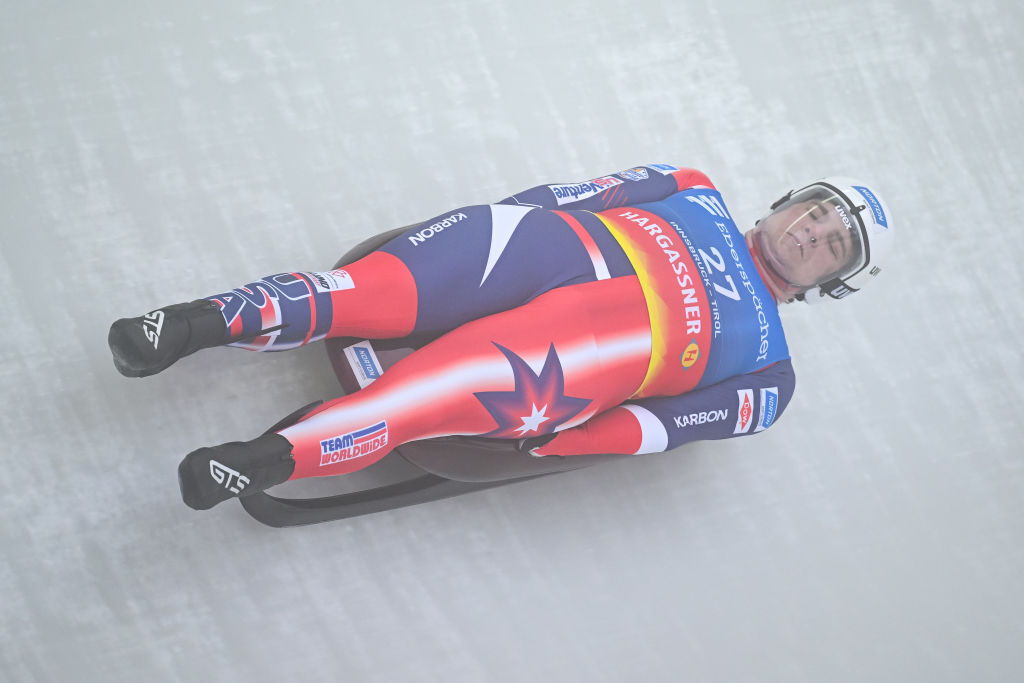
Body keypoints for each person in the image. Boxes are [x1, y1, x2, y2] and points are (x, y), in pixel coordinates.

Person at [108, 164, 892, 511]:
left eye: (832, 245)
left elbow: (665, 427)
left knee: (419, 397)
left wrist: (567, 446)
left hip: (588, 349)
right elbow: (575, 192)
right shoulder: (692, 184)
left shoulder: (770, 376)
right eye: (816, 211)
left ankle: (258, 461)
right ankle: (189, 324)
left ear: (834, 281)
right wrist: (499, 220)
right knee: (368, 292)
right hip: (540, 247)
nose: (811, 233)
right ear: (790, 199)